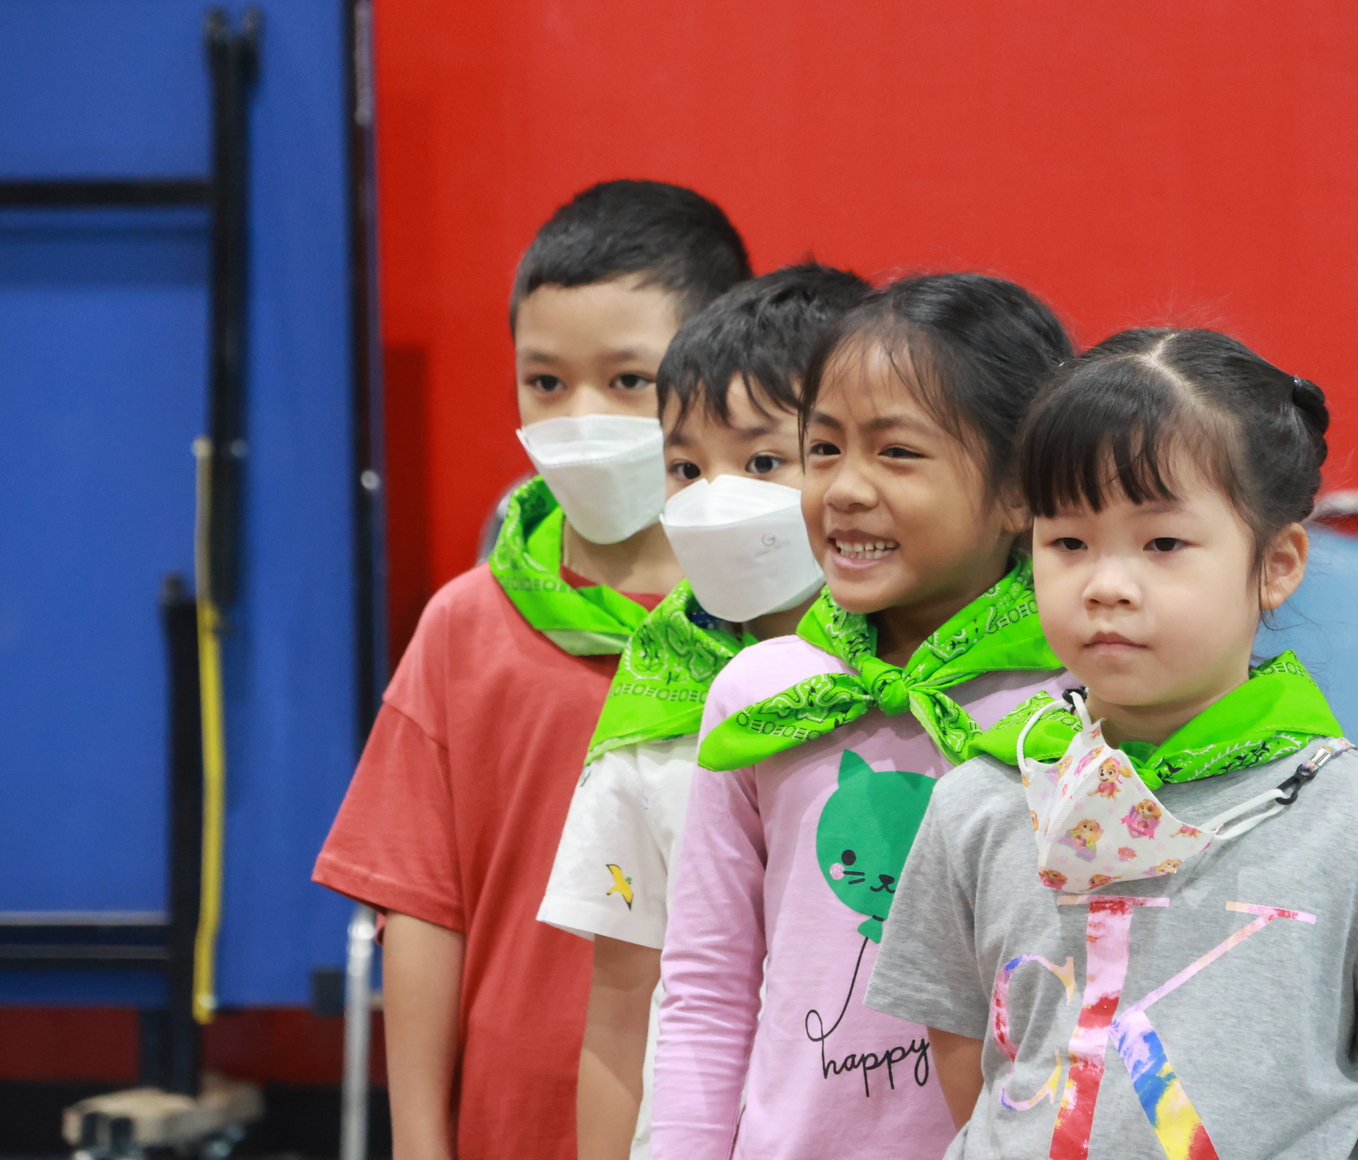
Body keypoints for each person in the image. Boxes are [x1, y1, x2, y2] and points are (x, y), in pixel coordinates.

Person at [865, 328, 1358, 1159]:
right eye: (1068, 542)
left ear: (1277, 565)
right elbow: (974, 1063)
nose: (1106, 585)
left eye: (1162, 543)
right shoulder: (980, 798)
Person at [312, 180, 749, 1160]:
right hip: (513, 1122)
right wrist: (419, 1142)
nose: (581, 416)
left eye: (628, 380)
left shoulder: (783, 630)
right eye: (545, 382)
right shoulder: (466, 627)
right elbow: (421, 909)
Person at [651, 274, 1077, 1159]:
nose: (843, 489)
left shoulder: (1076, 703)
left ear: (1019, 492)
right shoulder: (762, 696)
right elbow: (707, 989)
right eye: (823, 448)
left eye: (897, 452)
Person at [535, 261, 871, 1160]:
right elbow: (621, 1003)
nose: (717, 496)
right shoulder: (652, 710)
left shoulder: (932, 699)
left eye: (762, 461)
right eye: (685, 467)